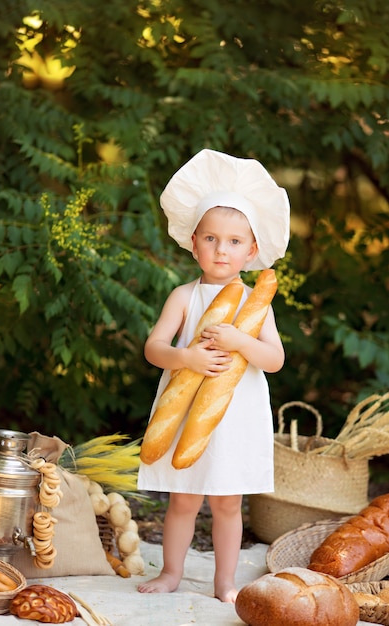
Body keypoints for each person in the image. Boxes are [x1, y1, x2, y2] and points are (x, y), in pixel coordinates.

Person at [137, 149, 290, 602]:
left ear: (253, 250)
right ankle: (170, 573)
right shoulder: (183, 296)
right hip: (184, 411)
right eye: (211, 239)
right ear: (193, 241)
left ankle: (225, 582)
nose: (221, 250)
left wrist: (241, 342)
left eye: (234, 242)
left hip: (235, 413)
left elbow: (274, 360)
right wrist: (187, 360)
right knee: (182, 498)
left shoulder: (256, 304)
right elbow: (154, 348)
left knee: (227, 503)